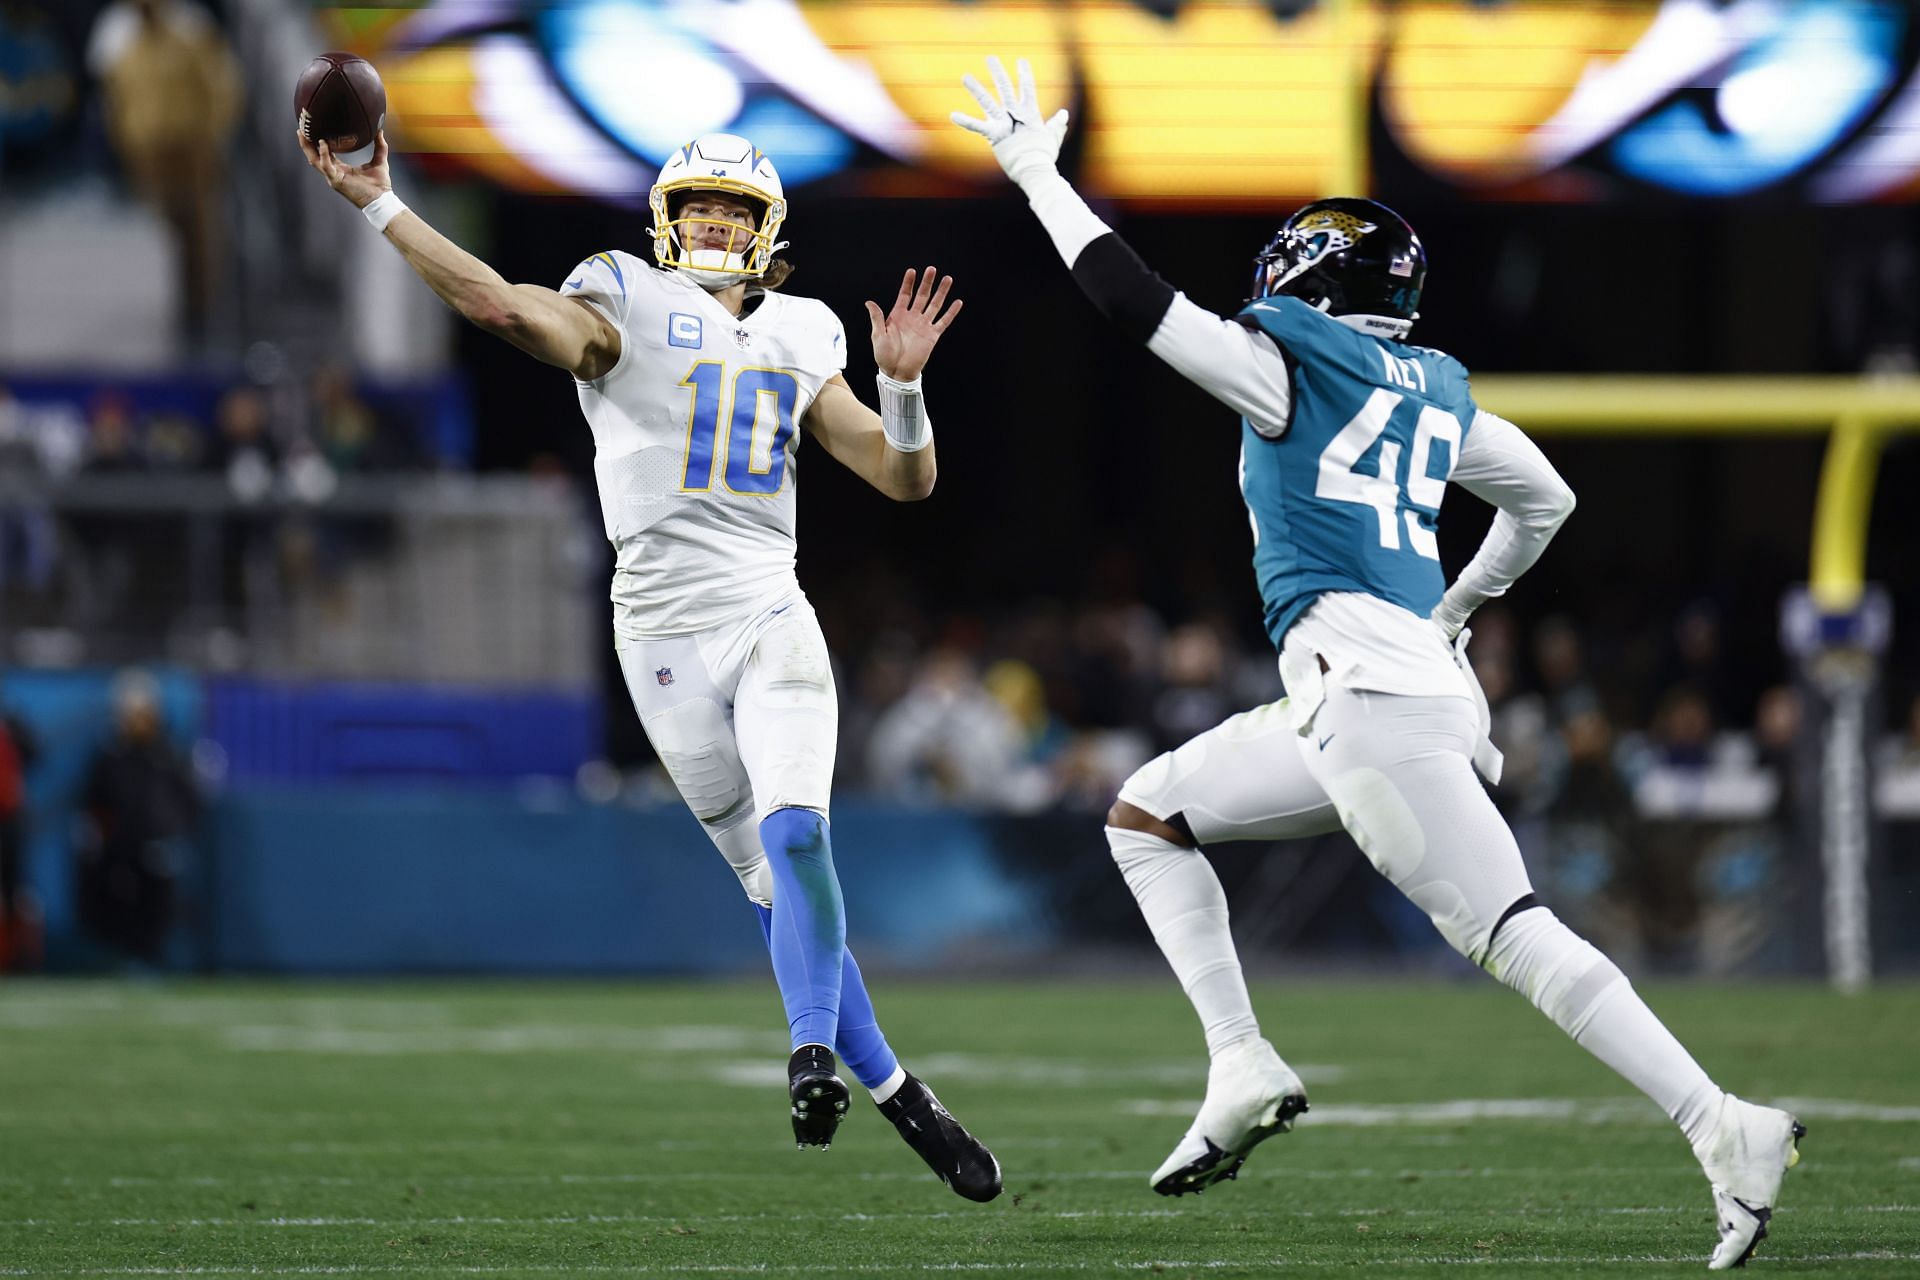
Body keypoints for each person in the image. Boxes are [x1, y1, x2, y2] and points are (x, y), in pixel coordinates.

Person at [955, 57, 1802, 1268]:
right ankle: (1240, 1060)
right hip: (1380, 696)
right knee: (1149, 812)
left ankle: (1722, 1123)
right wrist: (1459, 606)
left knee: (1514, 931)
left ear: (1307, 277)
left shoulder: (1288, 361)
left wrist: (1038, 173)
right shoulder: (1432, 387)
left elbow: (1132, 302)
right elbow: (1545, 497)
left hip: (1373, 709)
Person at [299, 126, 1000, 1200]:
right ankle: (908, 1097)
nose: (715, 223)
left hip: (770, 609)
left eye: (734, 209)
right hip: (660, 636)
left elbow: (901, 479)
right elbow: (499, 303)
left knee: (798, 828)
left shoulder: (807, 329)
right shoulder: (620, 295)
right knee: (776, 891)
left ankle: (812, 1052)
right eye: (700, 206)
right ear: (667, 222)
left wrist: (903, 391)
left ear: (767, 233)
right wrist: (380, 204)